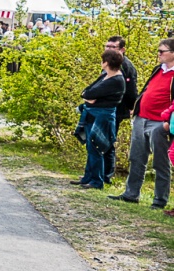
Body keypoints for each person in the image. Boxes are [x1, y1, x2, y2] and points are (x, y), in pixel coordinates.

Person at [110, 38, 174, 209]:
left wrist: (168, 123)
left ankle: (160, 200)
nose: (159, 54)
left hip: (160, 123)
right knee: (137, 157)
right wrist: (137, 106)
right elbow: (147, 89)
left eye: (162, 51)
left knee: (160, 162)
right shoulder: (158, 70)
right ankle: (131, 193)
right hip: (142, 118)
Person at [74, 49, 126, 190]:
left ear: (106, 63)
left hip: (102, 117)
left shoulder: (116, 80)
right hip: (93, 114)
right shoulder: (106, 76)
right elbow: (86, 92)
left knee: (97, 147)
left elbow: (90, 94)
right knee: (90, 147)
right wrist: (89, 98)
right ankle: (88, 177)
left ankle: (97, 181)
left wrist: (90, 98)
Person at [103, 35, 138, 183]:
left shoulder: (125, 65)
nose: (109, 50)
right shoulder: (110, 62)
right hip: (106, 107)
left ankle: (106, 175)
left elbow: (131, 90)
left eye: (113, 47)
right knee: (100, 140)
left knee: (108, 141)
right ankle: (98, 172)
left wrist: (131, 107)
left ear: (122, 49)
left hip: (117, 108)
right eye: (107, 46)